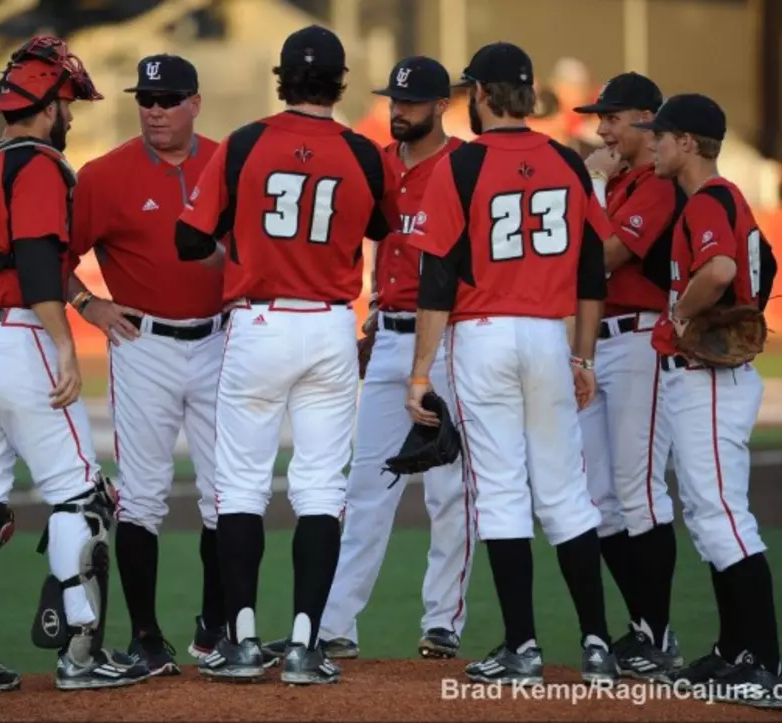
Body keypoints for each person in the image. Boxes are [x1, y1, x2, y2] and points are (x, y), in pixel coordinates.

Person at [0, 36, 149, 702]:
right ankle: (81, 654)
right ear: (47, 104)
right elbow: (36, 259)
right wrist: (64, 344)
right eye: (68, 102)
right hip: (19, 337)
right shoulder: (41, 164)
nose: (70, 115)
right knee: (81, 495)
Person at [175, 24, 399, 685]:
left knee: (241, 486)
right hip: (329, 323)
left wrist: (243, 247)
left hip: (259, 321)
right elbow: (383, 228)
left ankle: (243, 638)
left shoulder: (244, 143)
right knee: (321, 491)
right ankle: (304, 642)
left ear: (281, 79)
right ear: (339, 83)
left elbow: (190, 240)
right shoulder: (362, 153)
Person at [405, 41, 619, 686]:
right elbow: (591, 272)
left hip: (485, 336)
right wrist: (583, 354)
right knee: (565, 493)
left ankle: (522, 647)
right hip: (550, 337)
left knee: (500, 494)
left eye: (473, 90)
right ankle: (597, 643)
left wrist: (419, 372)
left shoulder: (461, 165)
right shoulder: (567, 160)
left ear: (485, 95)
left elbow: (437, 280)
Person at [263, 55, 472, 664]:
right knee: (366, 484)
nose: (397, 110)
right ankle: (333, 626)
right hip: (390, 336)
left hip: (452, 338)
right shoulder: (377, 163)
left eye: (409, 102)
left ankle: (442, 622)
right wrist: (375, 314)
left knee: (449, 489)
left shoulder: (462, 164)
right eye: (392, 100)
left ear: (440, 106)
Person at [67, 54, 226, 677]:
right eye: (146, 99)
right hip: (144, 345)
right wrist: (88, 303)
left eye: (168, 98)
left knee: (226, 495)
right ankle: (146, 638)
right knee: (142, 499)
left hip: (220, 342)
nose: (155, 109)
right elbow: (49, 254)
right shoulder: (104, 176)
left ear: (195, 102)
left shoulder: (225, 161)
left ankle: (216, 632)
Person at [631, 94, 782, 708]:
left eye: (662, 137)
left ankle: (766, 664)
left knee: (722, 517)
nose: (656, 145)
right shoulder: (718, 199)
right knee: (707, 515)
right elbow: (762, 266)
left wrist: (681, 310)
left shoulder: (710, 199)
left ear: (687, 143)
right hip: (701, 378)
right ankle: (733, 651)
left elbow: (721, 269)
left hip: (709, 381)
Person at [571, 72, 685, 680]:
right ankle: (645, 626)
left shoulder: (656, 184)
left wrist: (591, 179)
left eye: (612, 117)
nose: (602, 128)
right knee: (599, 500)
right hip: (599, 338)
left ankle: (658, 634)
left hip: (641, 338)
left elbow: (604, 255)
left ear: (646, 118)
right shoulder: (619, 183)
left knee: (639, 491)